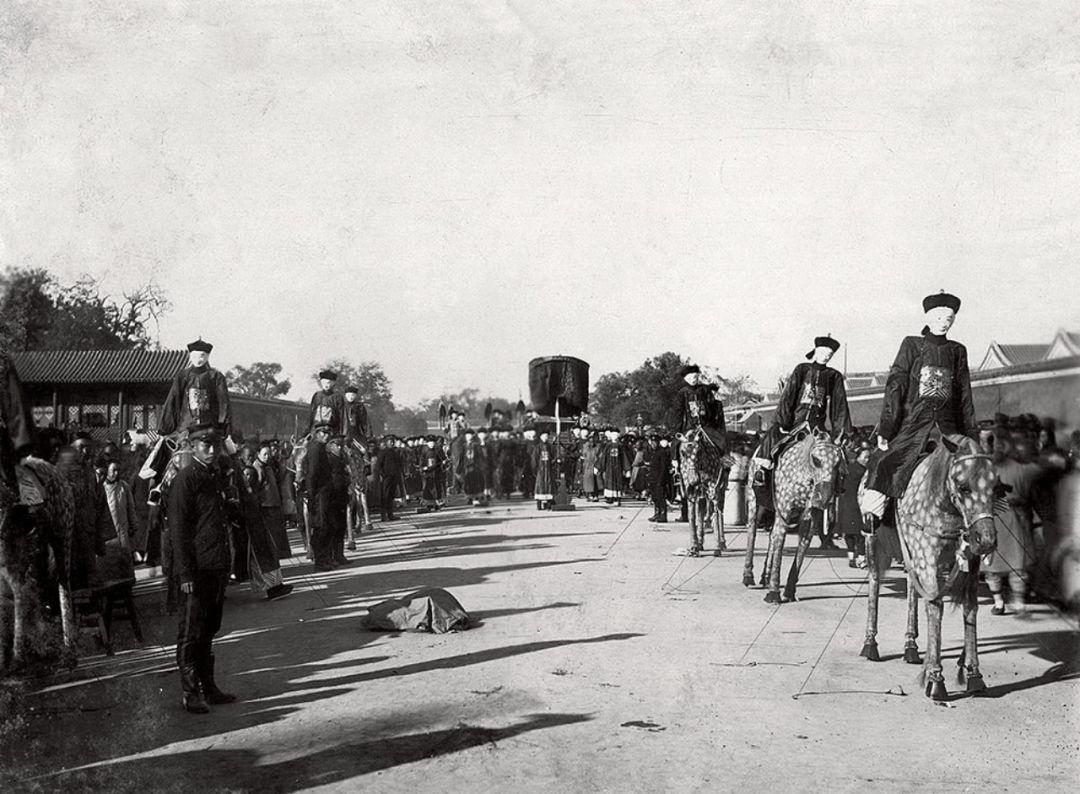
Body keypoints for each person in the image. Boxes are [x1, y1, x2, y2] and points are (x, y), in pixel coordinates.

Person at [861, 292, 978, 532]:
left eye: (949, 318)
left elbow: (964, 396)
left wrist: (971, 436)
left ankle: (982, 523)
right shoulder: (912, 345)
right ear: (927, 317)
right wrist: (886, 429)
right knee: (884, 462)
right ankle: (873, 516)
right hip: (914, 426)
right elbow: (896, 386)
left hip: (949, 429)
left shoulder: (958, 350)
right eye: (939, 317)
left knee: (976, 469)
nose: (944, 322)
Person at [169, 424, 236, 714]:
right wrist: (185, 573)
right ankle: (190, 692)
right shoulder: (186, 479)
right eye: (205, 445)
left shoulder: (214, 476)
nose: (211, 450)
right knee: (190, 632)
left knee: (209, 628)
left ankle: (209, 687)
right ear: (193, 447)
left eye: (215, 446)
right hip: (195, 571)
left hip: (215, 566)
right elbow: (178, 530)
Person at [754, 336, 851, 482]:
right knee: (772, 435)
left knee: (833, 454)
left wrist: (839, 431)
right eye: (823, 353)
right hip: (795, 422)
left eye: (830, 355)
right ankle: (762, 472)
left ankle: (834, 485)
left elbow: (839, 404)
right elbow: (789, 395)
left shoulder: (834, 376)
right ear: (816, 352)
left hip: (817, 426)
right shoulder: (802, 369)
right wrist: (784, 422)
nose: (826, 357)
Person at [159, 340, 232, 437]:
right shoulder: (183, 376)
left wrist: (223, 425)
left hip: (210, 427)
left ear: (208, 356)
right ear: (190, 356)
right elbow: (173, 400)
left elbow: (223, 403)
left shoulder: (216, 376)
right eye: (194, 356)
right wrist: (165, 427)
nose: (198, 359)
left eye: (202, 356)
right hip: (185, 427)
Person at [676, 365, 726, 449]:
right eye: (689, 378)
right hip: (690, 426)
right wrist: (678, 428)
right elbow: (678, 411)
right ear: (685, 379)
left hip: (706, 425)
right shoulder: (682, 393)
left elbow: (712, 404)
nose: (692, 380)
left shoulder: (704, 389)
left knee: (721, 442)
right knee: (676, 445)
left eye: (695, 377)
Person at [374, 434, 404, 521]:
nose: (392, 443)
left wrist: (398, 474)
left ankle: (390, 514)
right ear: (386, 443)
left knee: (391, 496)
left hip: (394, 477)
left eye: (393, 442)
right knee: (385, 496)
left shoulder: (395, 453)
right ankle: (383, 516)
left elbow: (399, 464)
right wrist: (384, 475)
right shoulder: (383, 453)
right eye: (390, 442)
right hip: (386, 478)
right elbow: (378, 466)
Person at [306, 370, 344, 437]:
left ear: (333, 383)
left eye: (328, 383)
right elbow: (311, 413)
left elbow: (342, 416)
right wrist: (307, 430)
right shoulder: (317, 395)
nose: (326, 385)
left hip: (331, 430)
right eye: (324, 382)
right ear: (321, 382)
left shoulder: (337, 397)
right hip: (316, 429)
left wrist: (341, 433)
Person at [646, 433, 672, 523]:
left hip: (659, 479)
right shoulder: (652, 452)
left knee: (661, 497)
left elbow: (663, 467)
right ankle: (657, 513)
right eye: (652, 442)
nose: (653, 444)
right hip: (652, 478)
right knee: (655, 497)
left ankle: (663, 515)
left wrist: (661, 480)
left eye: (655, 442)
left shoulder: (662, 452)